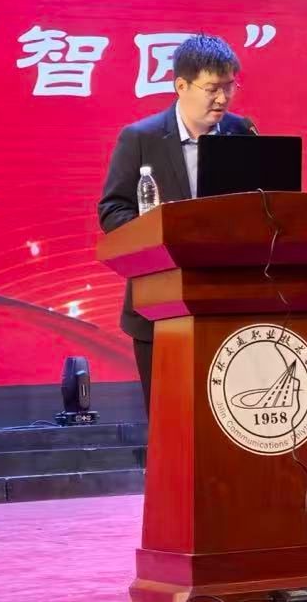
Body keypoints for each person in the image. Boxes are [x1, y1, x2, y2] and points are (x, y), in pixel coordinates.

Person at [97, 34, 249, 411]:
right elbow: (113, 210)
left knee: (228, 414)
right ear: (181, 86)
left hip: (229, 302)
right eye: (212, 88)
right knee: (171, 419)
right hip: (159, 304)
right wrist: (161, 232)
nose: (223, 98)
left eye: (230, 86)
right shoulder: (141, 138)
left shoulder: (242, 132)